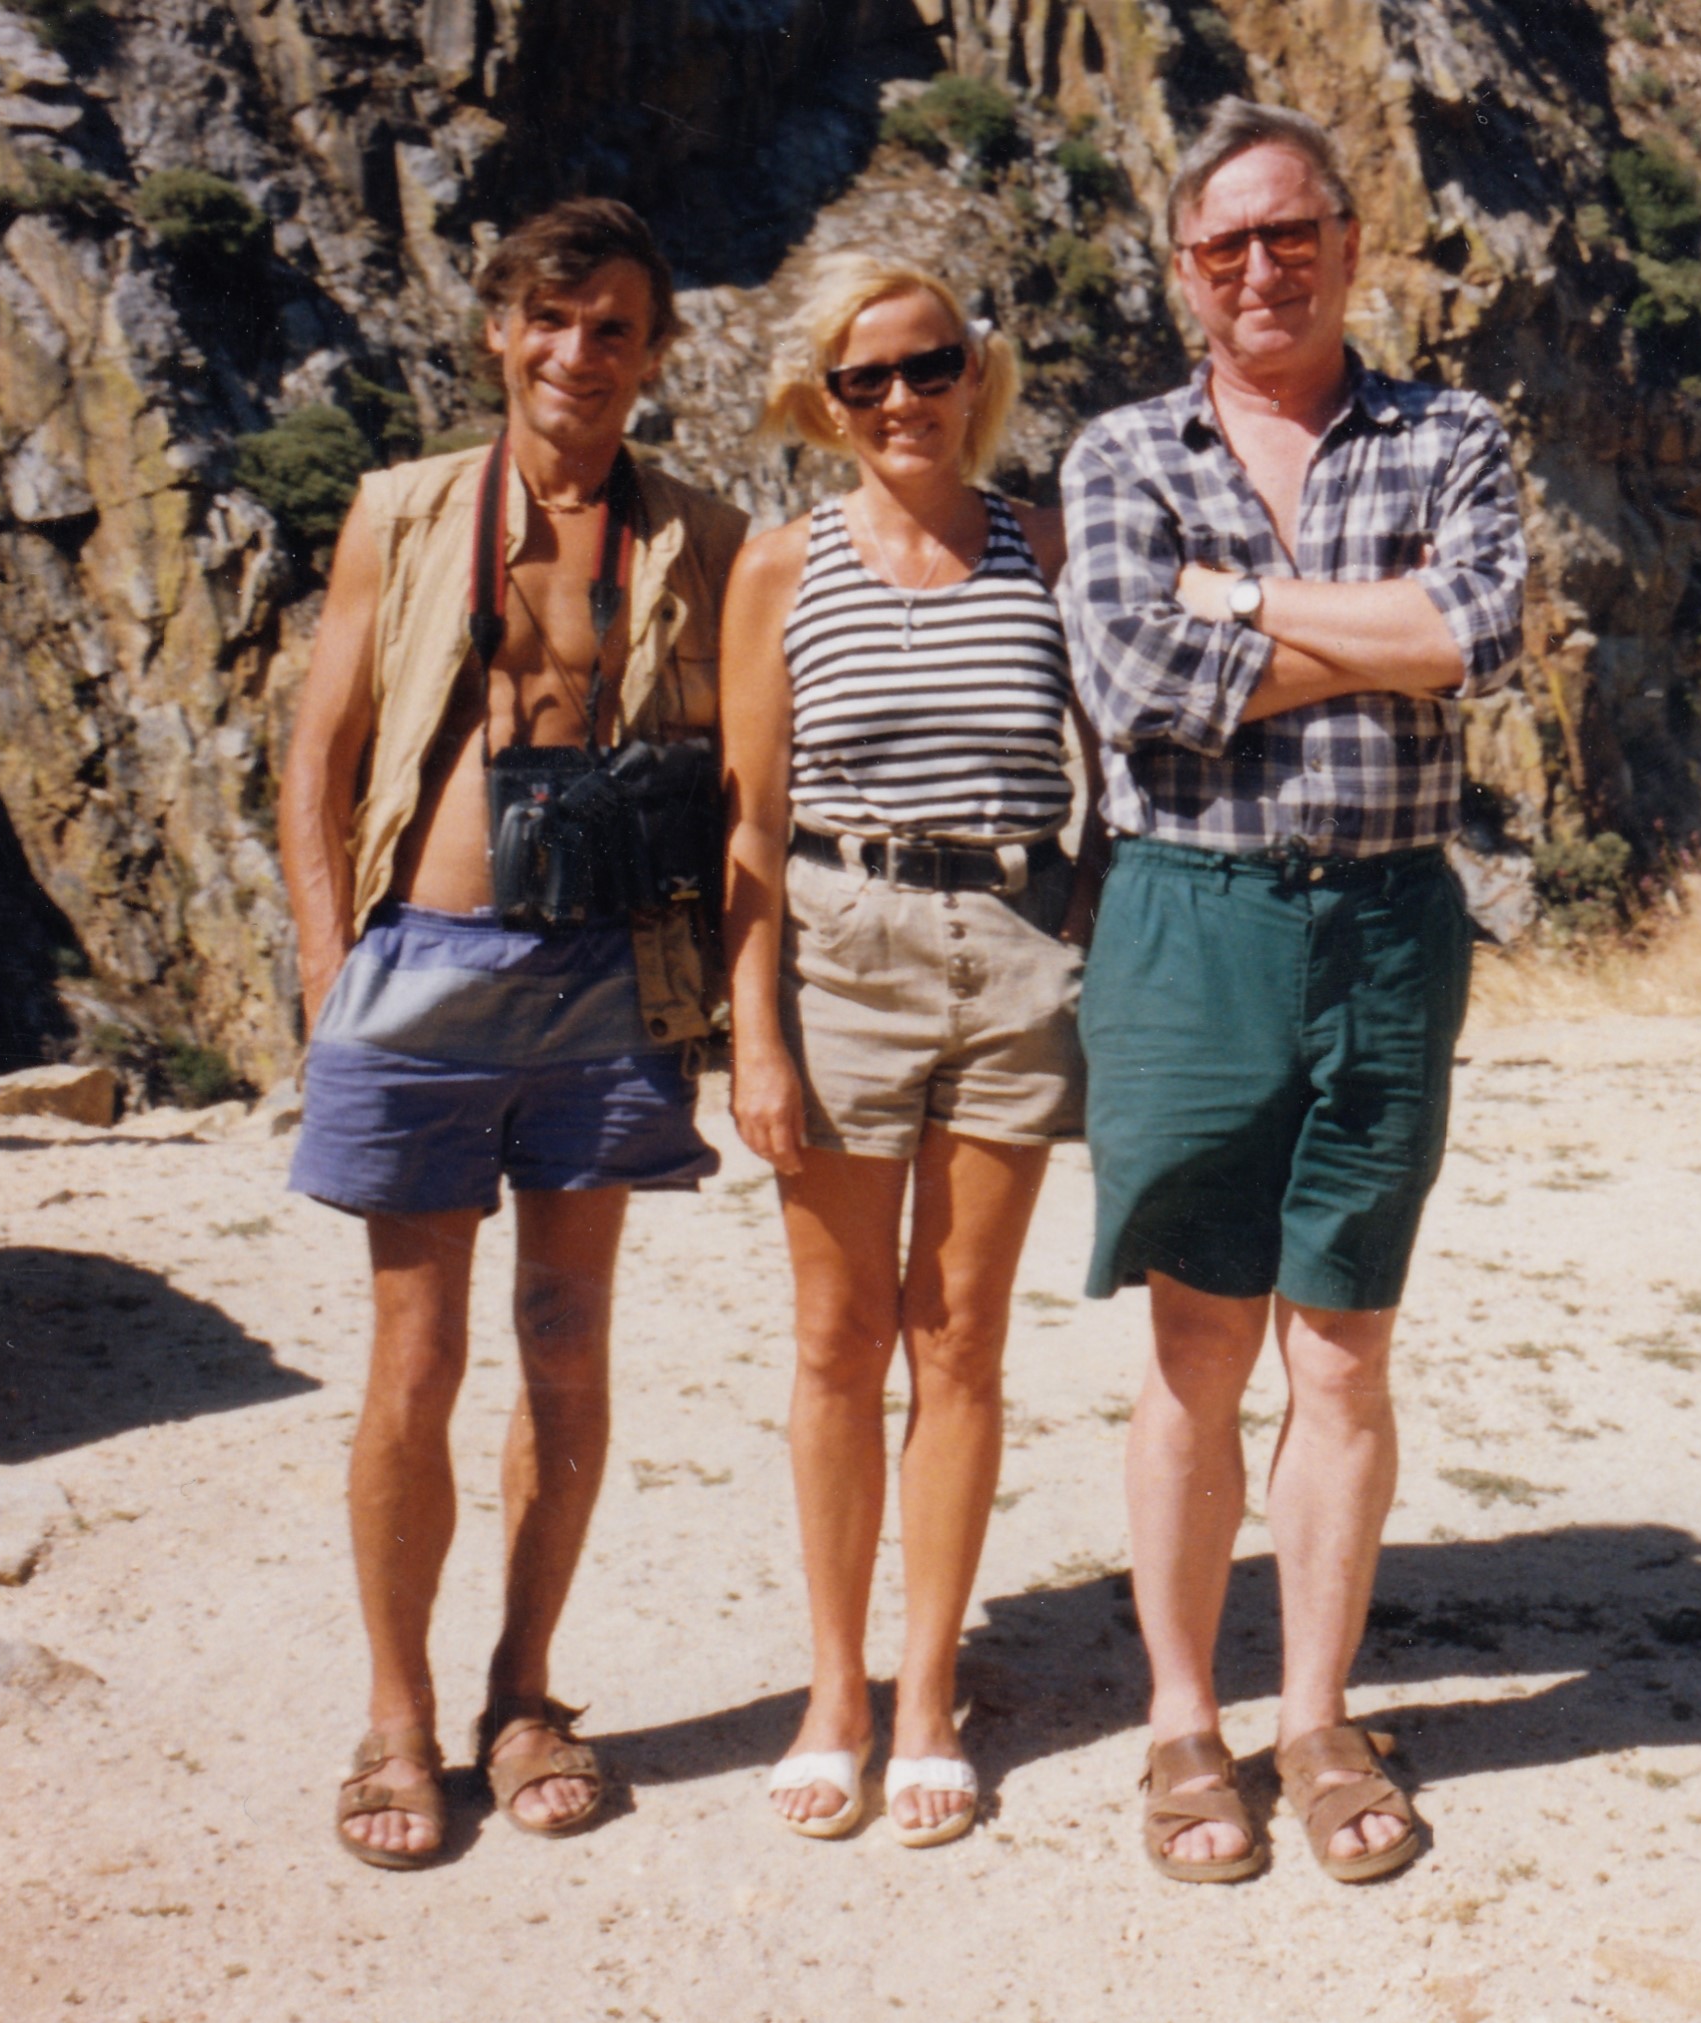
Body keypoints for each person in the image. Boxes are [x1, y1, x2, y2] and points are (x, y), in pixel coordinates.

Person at [1058, 99, 1529, 1884]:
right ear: (1185, 270)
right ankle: (1187, 1721)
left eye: (1291, 232)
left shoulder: (1450, 431)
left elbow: (1473, 635)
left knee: (1342, 1348)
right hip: (1192, 922)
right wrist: (1368, 626)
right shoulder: (1122, 452)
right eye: (1226, 243)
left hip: (1391, 929)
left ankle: (1318, 1715)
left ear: (1347, 239)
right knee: (1198, 1344)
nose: (1262, 267)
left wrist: (1241, 598)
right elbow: (1138, 688)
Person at [277, 197, 747, 1870]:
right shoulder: (403, 511)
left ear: (653, 353)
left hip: (610, 978)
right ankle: (397, 1716)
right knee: (417, 1355)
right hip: (425, 968)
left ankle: (526, 1694)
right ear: (497, 330)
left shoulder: (698, 532)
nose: (577, 355)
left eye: (613, 328)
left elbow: (745, 770)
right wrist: (330, 971)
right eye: (550, 320)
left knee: (566, 1339)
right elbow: (321, 752)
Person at [719, 255, 1100, 1848]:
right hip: (839, 952)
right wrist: (751, 1037)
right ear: (824, 403)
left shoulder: (1048, 549)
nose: (900, 401)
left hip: (1014, 950)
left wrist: (1099, 950)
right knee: (836, 1342)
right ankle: (835, 1694)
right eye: (863, 379)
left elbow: (1118, 770)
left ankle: (929, 1694)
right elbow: (748, 824)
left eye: (928, 366)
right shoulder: (780, 569)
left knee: (960, 1343)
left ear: (973, 374)